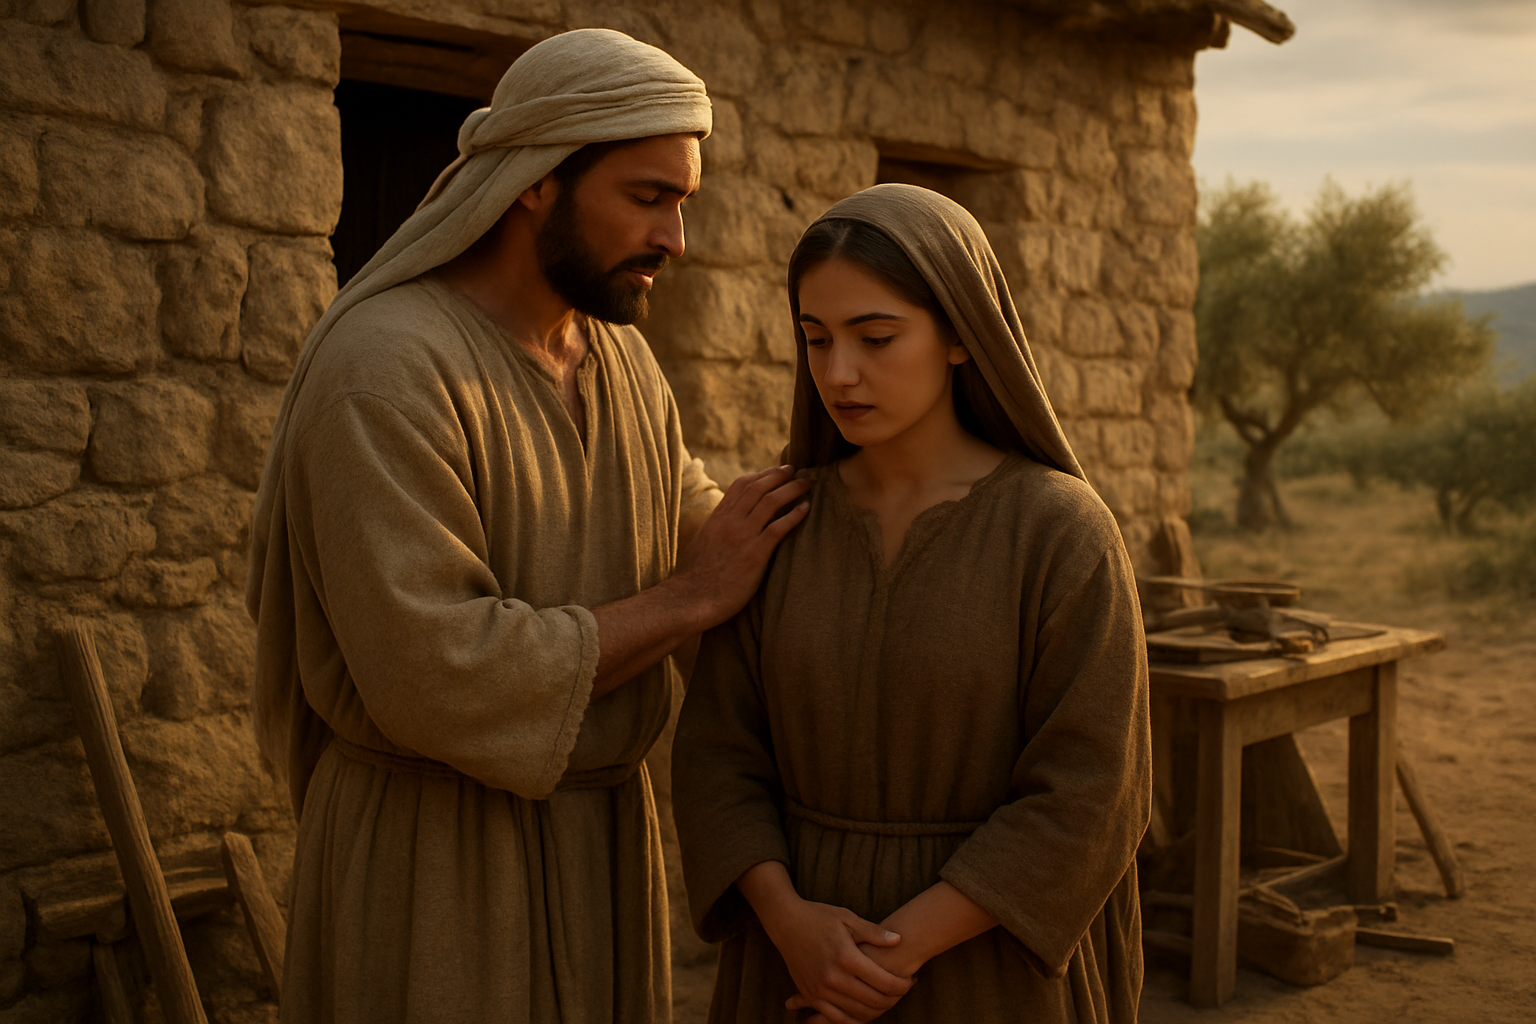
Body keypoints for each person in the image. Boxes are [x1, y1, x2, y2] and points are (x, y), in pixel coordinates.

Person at [246, 29, 810, 1024]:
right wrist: (691, 599)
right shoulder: (385, 368)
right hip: (435, 869)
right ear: (536, 182)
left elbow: (690, 521)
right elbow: (436, 669)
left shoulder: (622, 362)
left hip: (603, 855)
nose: (677, 238)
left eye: (682, 201)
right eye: (649, 197)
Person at [672, 184, 1151, 1024]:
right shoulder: (778, 525)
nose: (838, 373)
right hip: (792, 968)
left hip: (987, 972)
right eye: (816, 339)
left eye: (876, 337)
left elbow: (1090, 791)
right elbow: (719, 755)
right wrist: (791, 924)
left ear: (962, 334)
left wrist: (892, 952)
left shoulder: (1059, 533)